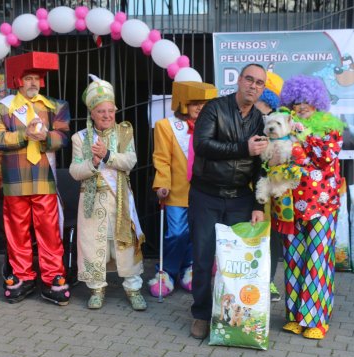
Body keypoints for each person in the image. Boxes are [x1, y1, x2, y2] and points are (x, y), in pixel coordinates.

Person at [189, 64, 269, 339]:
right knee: (202, 257)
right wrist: (241, 148)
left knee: (236, 262)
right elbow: (202, 145)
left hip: (240, 198)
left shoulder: (260, 120)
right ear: (239, 81)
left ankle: (231, 316)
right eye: (249, 79)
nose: (253, 86)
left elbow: (262, 165)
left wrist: (258, 205)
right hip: (205, 195)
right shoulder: (214, 108)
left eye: (259, 83)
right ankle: (200, 314)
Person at [0, 52, 71, 306]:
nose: (33, 83)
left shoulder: (56, 106)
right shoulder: (0, 108)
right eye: (28, 78)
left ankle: (52, 277)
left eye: (36, 78)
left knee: (48, 230)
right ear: (18, 81)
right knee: (17, 231)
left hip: (44, 178)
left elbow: (63, 137)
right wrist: (26, 135)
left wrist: (45, 137)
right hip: (15, 180)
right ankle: (23, 276)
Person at [69, 75, 146, 311]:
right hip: (92, 201)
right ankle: (96, 288)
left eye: (110, 111)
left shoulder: (124, 133)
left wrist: (107, 156)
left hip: (120, 197)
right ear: (92, 113)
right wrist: (92, 163)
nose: (107, 115)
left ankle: (133, 288)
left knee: (125, 244)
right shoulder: (80, 138)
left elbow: (130, 161)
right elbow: (74, 170)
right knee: (92, 243)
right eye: (101, 111)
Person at [278, 75, 344, 340]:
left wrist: (301, 134)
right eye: (296, 101)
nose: (301, 105)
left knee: (317, 259)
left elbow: (326, 157)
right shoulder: (286, 125)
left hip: (323, 204)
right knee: (294, 260)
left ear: (316, 101)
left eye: (306, 100)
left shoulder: (329, 126)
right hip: (291, 204)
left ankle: (316, 319)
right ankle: (295, 316)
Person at [150, 81, 218, 297]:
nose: (199, 108)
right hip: (177, 191)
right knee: (177, 233)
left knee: (198, 233)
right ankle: (167, 272)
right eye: (194, 103)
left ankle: (190, 268)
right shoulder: (165, 126)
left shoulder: (214, 126)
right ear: (182, 103)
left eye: (204, 103)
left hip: (205, 192)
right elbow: (161, 158)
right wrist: (162, 183)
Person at [253, 71, 284, 303]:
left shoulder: (278, 121)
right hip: (246, 185)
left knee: (271, 236)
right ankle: (250, 279)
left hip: (270, 188)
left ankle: (269, 281)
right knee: (252, 233)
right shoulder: (245, 115)